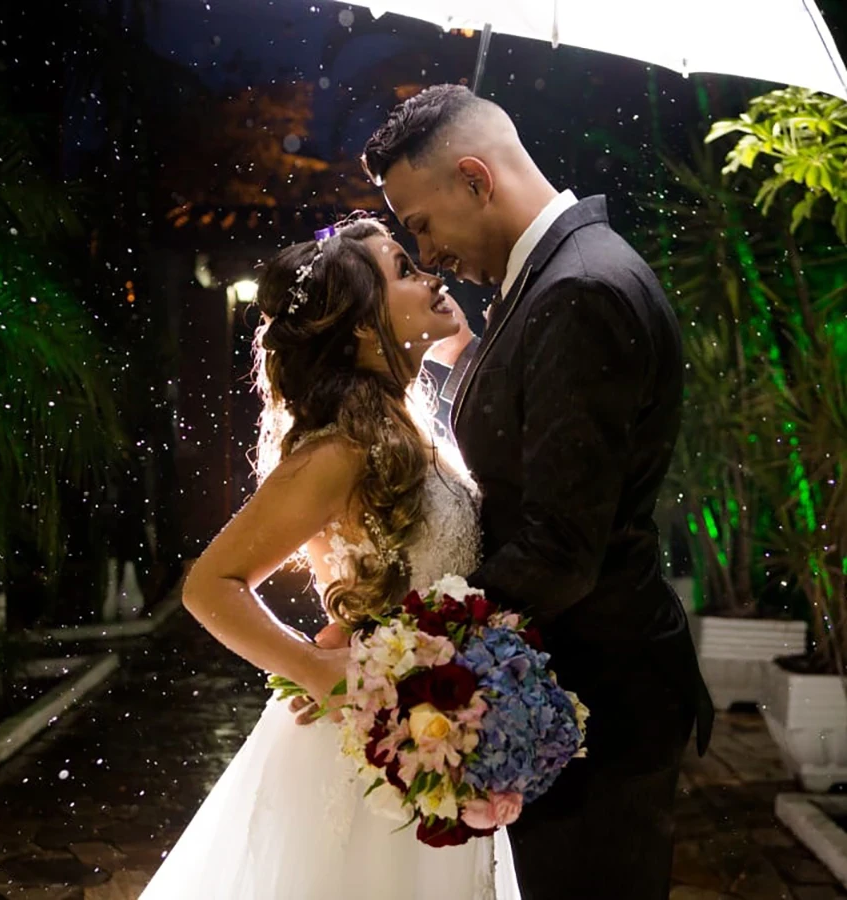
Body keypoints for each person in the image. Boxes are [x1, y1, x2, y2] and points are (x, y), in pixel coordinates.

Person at [358, 84, 715, 900]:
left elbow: (560, 548)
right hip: (574, 689)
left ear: (475, 179)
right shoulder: (552, 280)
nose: (427, 253)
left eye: (422, 225)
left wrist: (411, 645)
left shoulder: (579, 292)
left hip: (600, 699)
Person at [139, 216, 521, 900]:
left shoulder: (408, 425)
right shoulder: (339, 452)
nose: (431, 275)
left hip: (433, 738)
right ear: (364, 329)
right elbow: (210, 585)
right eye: (404, 269)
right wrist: (313, 668)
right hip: (364, 759)